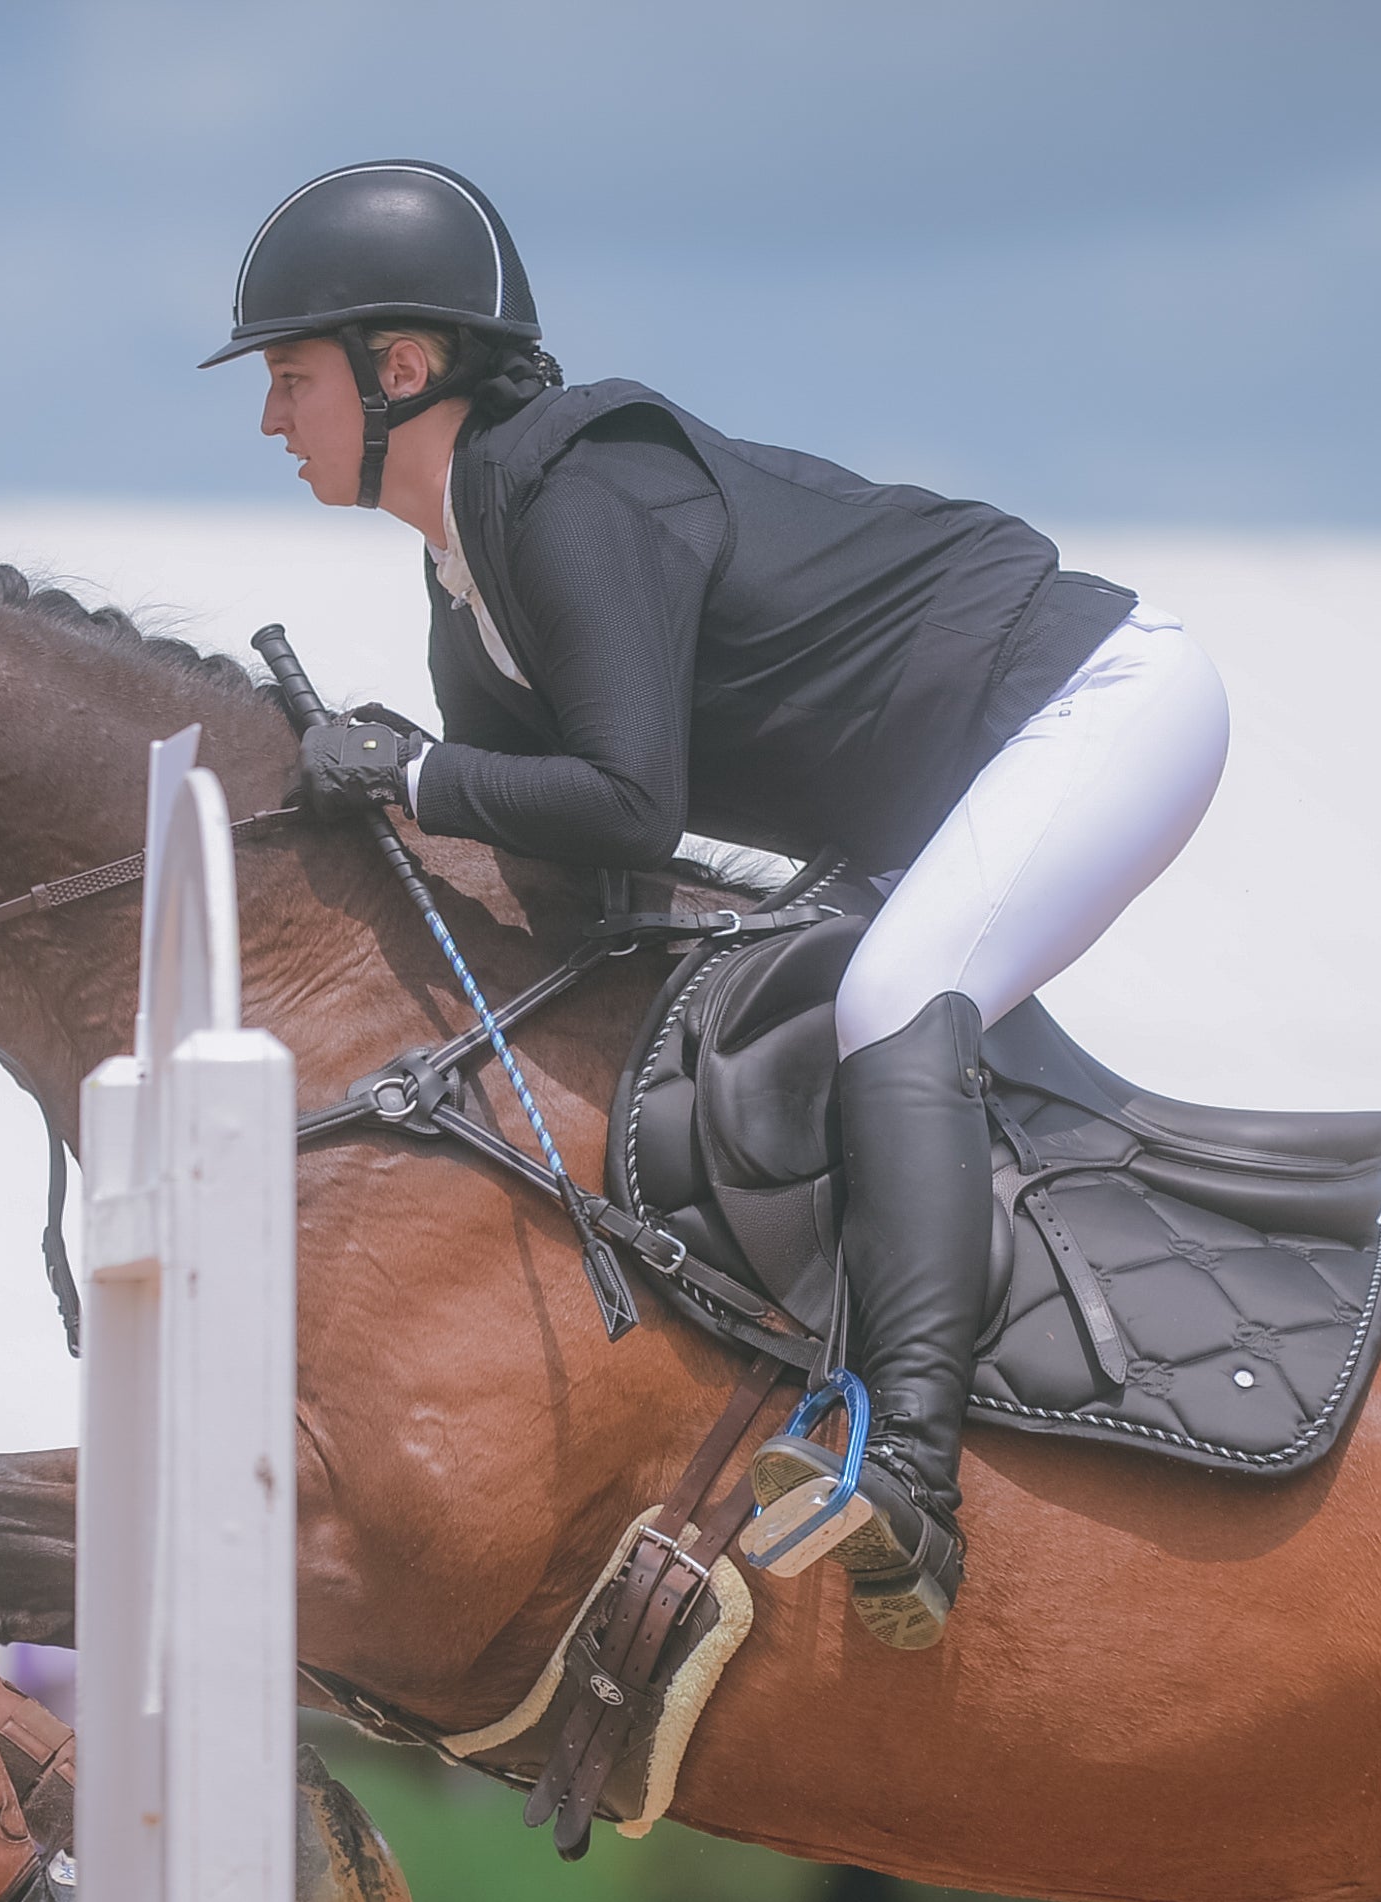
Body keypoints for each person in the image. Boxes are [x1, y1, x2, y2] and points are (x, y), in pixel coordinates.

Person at [208, 162, 1232, 1646]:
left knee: (894, 998)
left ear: (403, 369)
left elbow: (626, 801)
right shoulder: (466, 574)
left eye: (291, 378)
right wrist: (390, 803)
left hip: (1095, 702)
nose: (269, 419)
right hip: (951, 782)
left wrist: (417, 773)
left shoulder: (573, 494)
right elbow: (570, 876)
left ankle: (913, 1477)